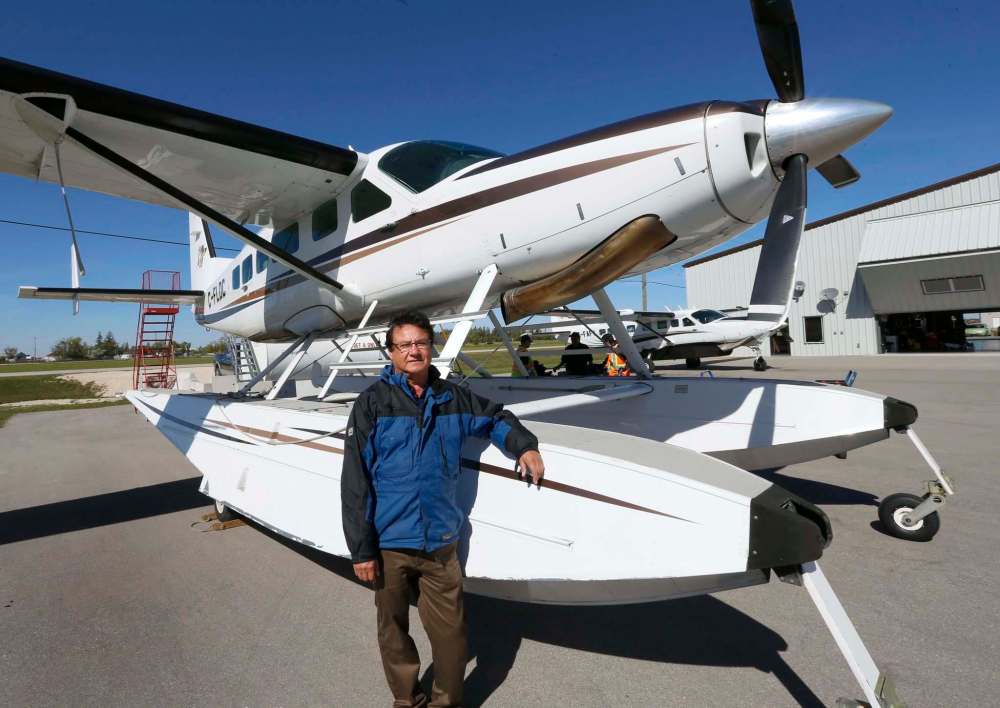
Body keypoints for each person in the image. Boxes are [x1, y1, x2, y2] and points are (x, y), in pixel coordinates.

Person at [341, 310, 545, 708]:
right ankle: (406, 699)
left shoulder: (454, 397)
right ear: (391, 352)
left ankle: (445, 703)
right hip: (390, 542)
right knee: (392, 629)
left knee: (451, 634)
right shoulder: (372, 404)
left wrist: (525, 445)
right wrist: (361, 549)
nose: (413, 351)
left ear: (431, 347)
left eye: (420, 343)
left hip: (440, 542)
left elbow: (496, 418)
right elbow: (355, 480)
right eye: (404, 345)